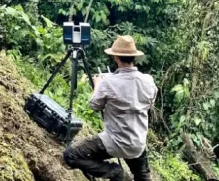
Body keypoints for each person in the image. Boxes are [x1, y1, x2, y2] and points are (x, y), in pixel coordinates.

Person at [63, 35, 157, 181]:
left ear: (115, 57)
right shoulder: (148, 81)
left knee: (71, 155)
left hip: (114, 142)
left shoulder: (108, 83)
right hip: (138, 142)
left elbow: (94, 105)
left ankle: (114, 172)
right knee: (142, 177)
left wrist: (98, 85)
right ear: (134, 57)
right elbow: (150, 101)